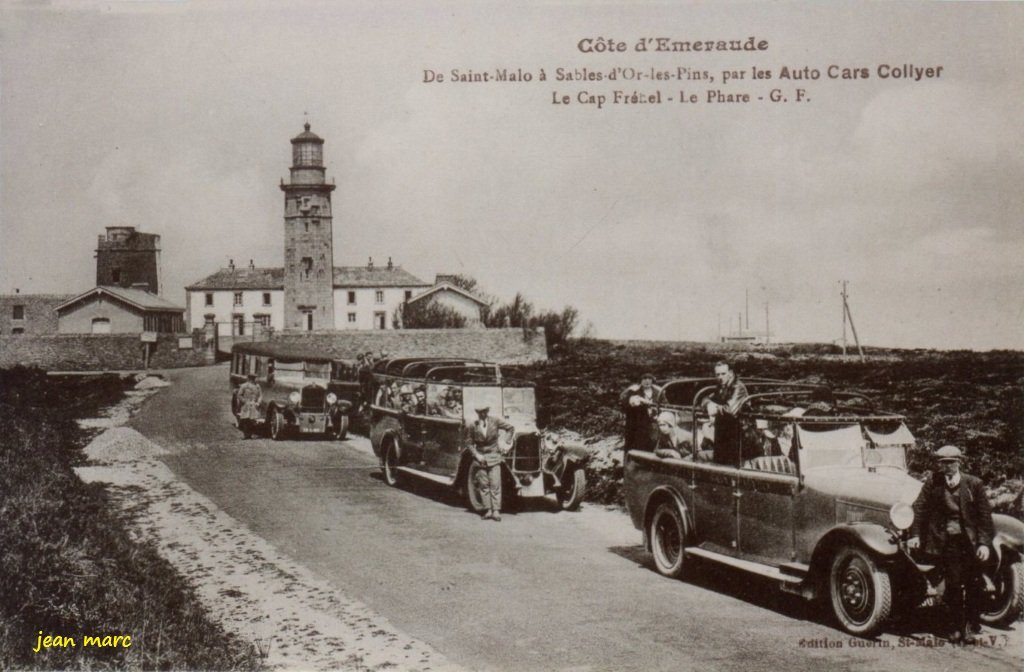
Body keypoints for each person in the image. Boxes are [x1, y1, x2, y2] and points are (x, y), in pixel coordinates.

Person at [908, 445, 995, 645]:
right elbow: (918, 508)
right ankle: (955, 627)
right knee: (954, 585)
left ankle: (971, 626)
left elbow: (985, 518)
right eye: (942, 463)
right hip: (947, 542)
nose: (946, 467)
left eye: (950, 462)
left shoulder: (974, 484)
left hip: (971, 543)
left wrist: (983, 544)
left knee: (975, 584)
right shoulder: (933, 482)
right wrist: (915, 534)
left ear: (959, 463)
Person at [469, 405, 515, 521]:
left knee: (495, 484)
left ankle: (496, 511)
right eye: (479, 412)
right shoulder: (473, 425)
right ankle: (488, 510)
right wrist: (477, 455)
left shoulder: (495, 421)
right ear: (477, 413)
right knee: (484, 485)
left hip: (494, 456)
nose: (482, 414)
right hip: (480, 459)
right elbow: (468, 443)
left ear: (488, 411)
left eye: (484, 412)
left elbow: (510, 428)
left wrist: (506, 442)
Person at [702, 361, 748, 466]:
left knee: (732, 467)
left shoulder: (738, 387)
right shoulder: (721, 387)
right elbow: (704, 399)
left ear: (731, 373)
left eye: (723, 374)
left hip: (739, 436)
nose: (720, 377)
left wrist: (715, 408)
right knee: (720, 464)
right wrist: (709, 404)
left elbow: (730, 409)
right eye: (717, 374)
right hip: (725, 434)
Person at [619, 373, 661, 454]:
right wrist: (633, 402)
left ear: (653, 380)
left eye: (649, 378)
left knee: (653, 445)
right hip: (637, 424)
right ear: (640, 380)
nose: (647, 381)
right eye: (644, 378)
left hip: (654, 423)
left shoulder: (658, 391)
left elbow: (665, 405)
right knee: (636, 446)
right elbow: (624, 405)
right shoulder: (633, 391)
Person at [236, 373, 262, 438]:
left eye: (253, 378)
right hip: (246, 405)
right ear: (248, 378)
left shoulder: (257, 386)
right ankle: (246, 435)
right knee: (245, 419)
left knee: (253, 420)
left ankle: (252, 434)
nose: (252, 380)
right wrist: (244, 401)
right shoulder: (244, 386)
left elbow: (260, 396)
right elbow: (239, 395)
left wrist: (258, 402)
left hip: (254, 404)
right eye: (251, 378)